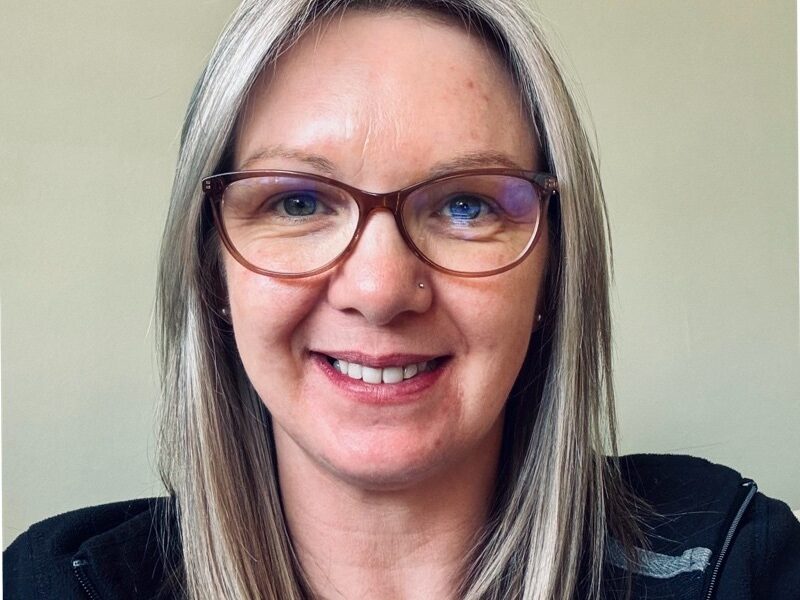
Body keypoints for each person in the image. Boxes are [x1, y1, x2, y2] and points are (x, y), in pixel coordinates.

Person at [4, 0, 799, 598]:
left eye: (466, 205)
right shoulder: (54, 584)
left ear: (554, 273)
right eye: (297, 202)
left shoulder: (732, 565)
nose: (380, 290)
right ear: (212, 270)